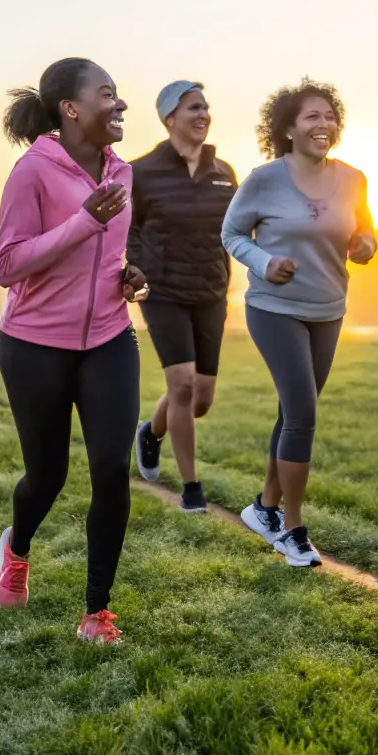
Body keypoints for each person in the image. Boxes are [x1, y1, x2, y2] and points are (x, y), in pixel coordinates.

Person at [0, 57, 150, 645]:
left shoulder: (122, 172)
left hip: (110, 336)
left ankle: (96, 612)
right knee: (48, 475)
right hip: (34, 345)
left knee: (111, 469)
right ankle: (18, 548)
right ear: (71, 109)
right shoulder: (31, 172)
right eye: (108, 94)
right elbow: (9, 266)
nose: (120, 105)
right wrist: (83, 222)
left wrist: (129, 274)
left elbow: (106, 256)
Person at [222, 79, 375, 567]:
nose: (323, 124)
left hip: (328, 308)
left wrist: (366, 245)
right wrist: (265, 262)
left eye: (329, 115)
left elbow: (364, 230)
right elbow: (231, 233)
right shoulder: (265, 179)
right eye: (311, 116)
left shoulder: (353, 179)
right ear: (288, 128)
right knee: (303, 413)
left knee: (293, 413)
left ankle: (263, 507)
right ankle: (292, 529)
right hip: (274, 307)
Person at [128, 81, 238, 513]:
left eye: (206, 107)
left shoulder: (223, 172)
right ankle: (191, 488)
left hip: (210, 291)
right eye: (194, 107)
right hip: (163, 291)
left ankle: (150, 433)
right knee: (182, 385)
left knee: (202, 399)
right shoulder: (141, 171)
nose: (203, 114)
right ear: (169, 117)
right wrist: (136, 271)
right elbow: (129, 230)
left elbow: (237, 226)